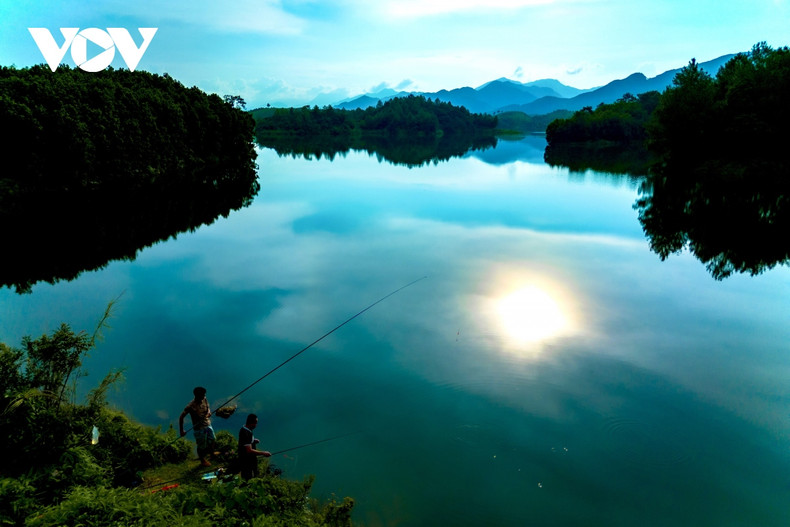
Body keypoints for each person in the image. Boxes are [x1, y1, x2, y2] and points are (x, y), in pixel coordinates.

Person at [179, 386, 216, 467]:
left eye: (204, 395)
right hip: (199, 429)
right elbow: (181, 417)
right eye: (202, 395)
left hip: (208, 424)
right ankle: (202, 460)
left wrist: (209, 412)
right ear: (197, 396)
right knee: (201, 446)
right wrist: (181, 430)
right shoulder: (191, 406)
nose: (204, 396)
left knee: (212, 439)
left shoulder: (204, 399)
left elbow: (208, 408)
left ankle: (212, 454)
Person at [238, 413, 271, 480]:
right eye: (255, 423)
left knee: (253, 470)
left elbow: (245, 442)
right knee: (247, 475)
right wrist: (263, 453)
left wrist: (253, 440)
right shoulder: (246, 433)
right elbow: (249, 450)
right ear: (251, 423)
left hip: (249, 458)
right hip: (246, 459)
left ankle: (253, 480)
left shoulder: (245, 428)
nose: (256, 425)